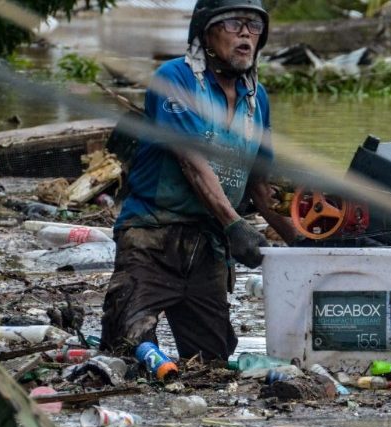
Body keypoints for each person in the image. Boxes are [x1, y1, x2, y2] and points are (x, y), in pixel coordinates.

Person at [101, 0, 296, 363]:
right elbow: (192, 163)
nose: (246, 34)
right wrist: (235, 224)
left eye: (254, 27)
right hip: (152, 239)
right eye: (235, 23)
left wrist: (301, 244)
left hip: (208, 248)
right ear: (206, 35)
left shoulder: (258, 99)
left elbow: (259, 184)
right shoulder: (175, 79)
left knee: (212, 364)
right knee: (125, 351)